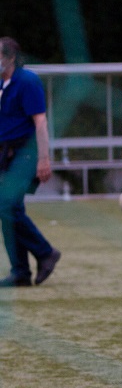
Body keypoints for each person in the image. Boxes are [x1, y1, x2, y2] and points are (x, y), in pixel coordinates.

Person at [0, 37, 60, 287]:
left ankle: (45, 252)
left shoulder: (28, 81)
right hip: (4, 153)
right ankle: (20, 272)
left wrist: (44, 159)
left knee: (6, 205)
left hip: (25, 153)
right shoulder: (2, 84)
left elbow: (40, 122)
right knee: (10, 210)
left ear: (10, 58)